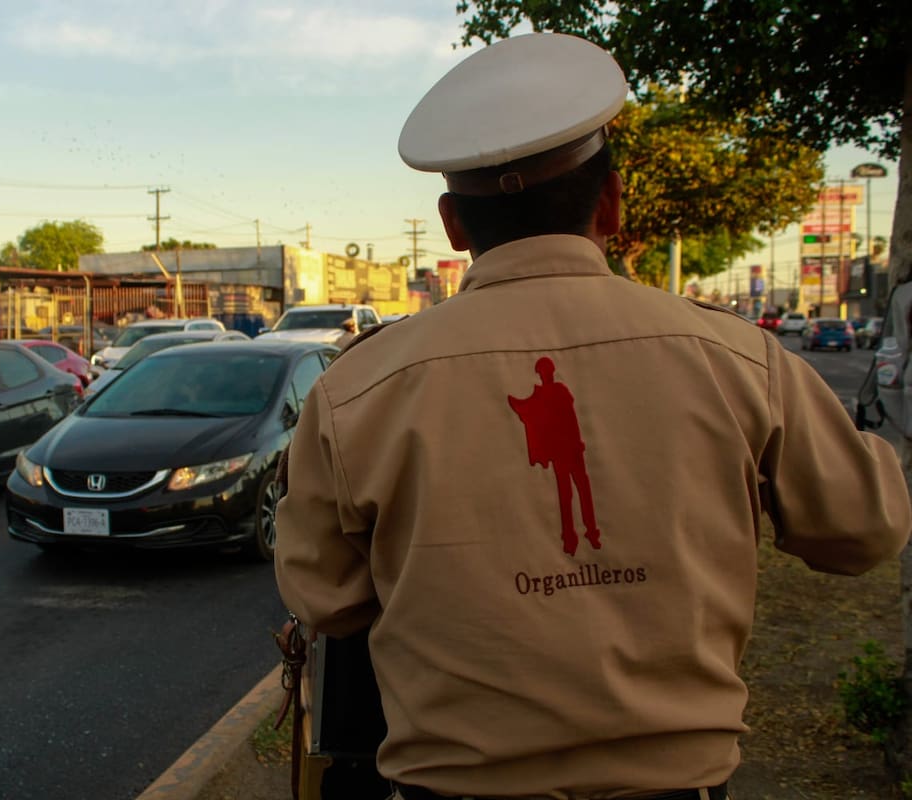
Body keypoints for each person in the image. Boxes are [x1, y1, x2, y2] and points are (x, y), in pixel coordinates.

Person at [273, 32, 911, 800]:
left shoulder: (358, 387)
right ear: (610, 201)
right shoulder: (738, 359)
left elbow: (328, 599)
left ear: (452, 224)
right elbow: (863, 531)